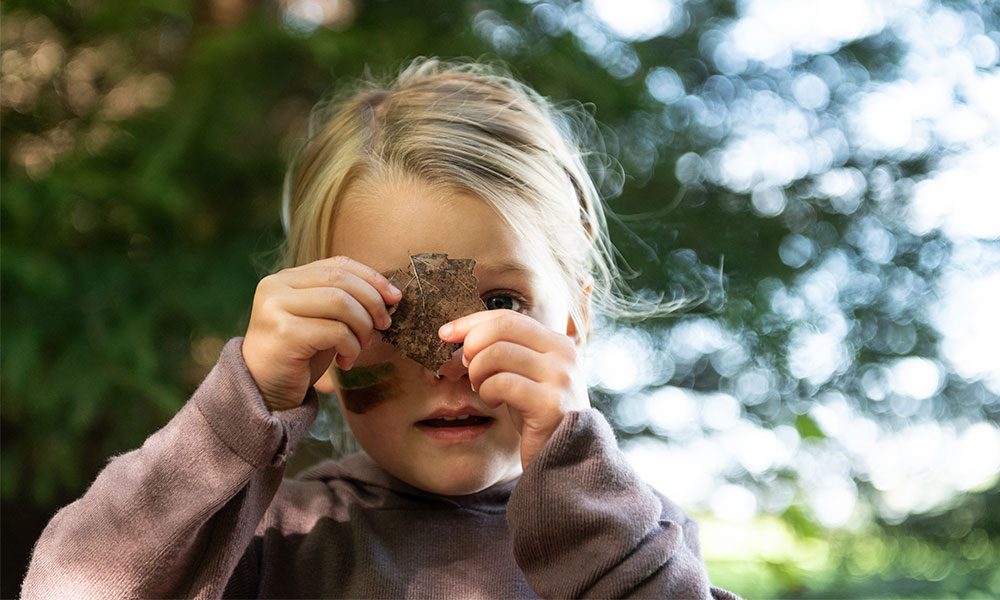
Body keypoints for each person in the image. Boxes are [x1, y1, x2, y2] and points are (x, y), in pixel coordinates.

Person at [22, 58, 738, 599]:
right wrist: (242, 408)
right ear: (322, 352)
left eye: (504, 305)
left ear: (575, 323)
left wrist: (578, 470)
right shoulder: (269, 544)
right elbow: (73, 584)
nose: (451, 360)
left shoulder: (638, 542)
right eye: (391, 310)